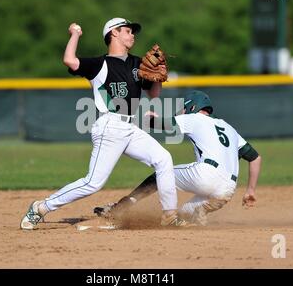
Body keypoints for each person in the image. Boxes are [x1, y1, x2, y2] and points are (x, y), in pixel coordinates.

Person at [20, 18, 188, 230]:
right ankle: (41, 207)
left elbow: (153, 95)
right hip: (110, 126)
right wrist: (75, 34)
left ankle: (169, 215)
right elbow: (70, 60)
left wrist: (158, 78)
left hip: (130, 127)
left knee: (163, 159)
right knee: (93, 182)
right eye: (127, 31)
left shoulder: (138, 63)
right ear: (113, 33)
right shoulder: (100, 64)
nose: (132, 35)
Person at [94, 90, 262, 226]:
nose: (182, 110)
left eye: (184, 107)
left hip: (206, 175)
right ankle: (197, 218)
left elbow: (163, 125)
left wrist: (149, 119)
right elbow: (255, 157)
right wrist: (250, 191)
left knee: (162, 171)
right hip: (227, 190)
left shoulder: (194, 117)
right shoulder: (228, 127)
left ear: (192, 106)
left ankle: (121, 208)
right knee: (184, 218)